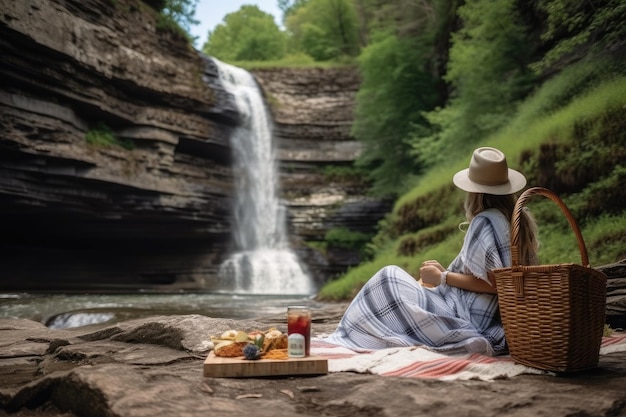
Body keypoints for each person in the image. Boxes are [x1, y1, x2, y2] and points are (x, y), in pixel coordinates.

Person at [324, 147, 539, 356]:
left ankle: (353, 335)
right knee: (398, 282)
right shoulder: (518, 221)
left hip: (474, 319)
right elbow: (496, 277)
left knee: (388, 277)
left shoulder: (486, 221)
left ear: (474, 191)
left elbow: (498, 284)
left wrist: (443, 277)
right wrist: (444, 274)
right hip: (494, 317)